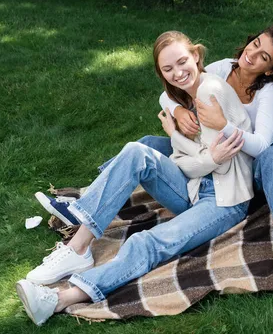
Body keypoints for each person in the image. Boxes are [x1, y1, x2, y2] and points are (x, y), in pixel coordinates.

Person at [17, 31, 254, 326]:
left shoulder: (209, 93)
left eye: (182, 62)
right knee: (136, 152)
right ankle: (77, 247)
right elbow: (191, 161)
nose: (177, 73)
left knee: (148, 242)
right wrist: (183, 139)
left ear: (196, 55)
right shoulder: (189, 96)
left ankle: (58, 299)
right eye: (168, 69)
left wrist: (188, 146)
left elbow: (214, 164)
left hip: (224, 201)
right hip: (195, 187)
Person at [37, 25, 273, 274]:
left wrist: (223, 126)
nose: (252, 54)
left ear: (270, 69)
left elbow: (262, 144)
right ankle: (82, 204)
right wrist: (179, 110)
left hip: (249, 171)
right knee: (146, 145)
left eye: (263, 56)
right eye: (255, 44)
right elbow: (171, 90)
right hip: (206, 157)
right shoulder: (223, 69)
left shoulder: (269, 92)